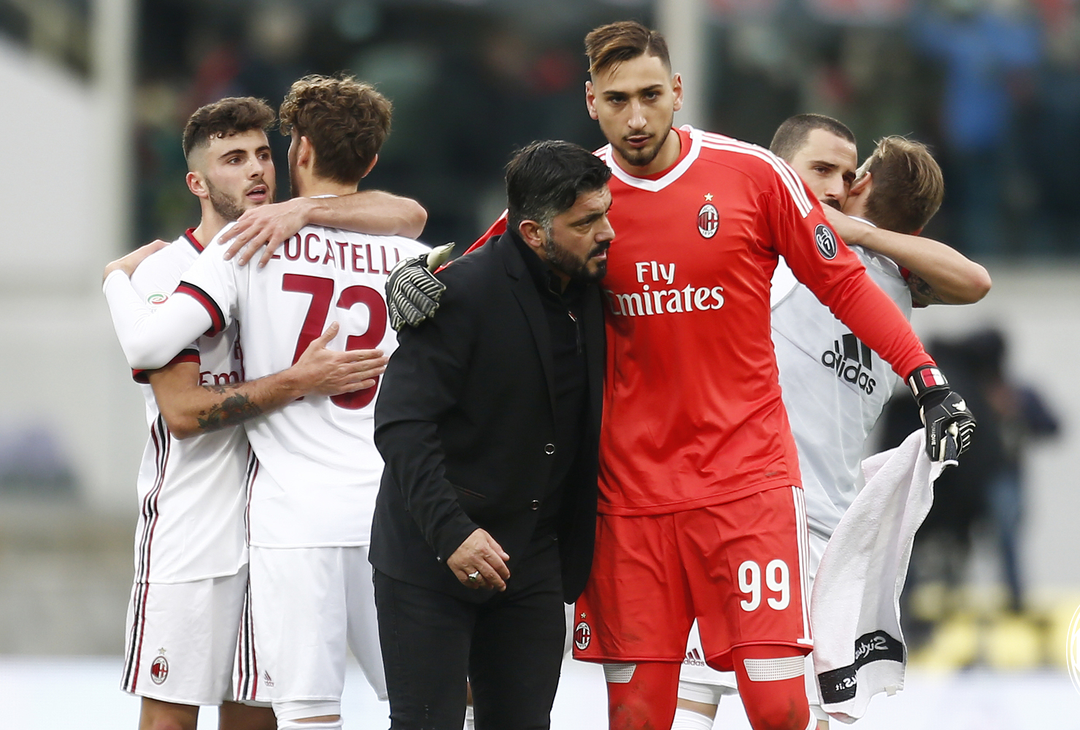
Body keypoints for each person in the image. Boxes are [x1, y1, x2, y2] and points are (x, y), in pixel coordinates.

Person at [387, 21, 975, 730]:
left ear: (677, 91)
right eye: (616, 100)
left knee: (783, 708)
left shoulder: (754, 176)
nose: (636, 117)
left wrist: (929, 382)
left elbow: (845, 285)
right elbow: (494, 259)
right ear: (590, 103)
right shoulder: (581, 196)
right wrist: (413, 281)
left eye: (649, 95)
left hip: (746, 485)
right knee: (637, 717)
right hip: (628, 498)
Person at [102, 74, 432, 730]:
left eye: (261, 153)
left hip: (279, 523)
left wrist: (308, 211)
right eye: (233, 159)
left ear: (292, 154)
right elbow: (182, 413)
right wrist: (117, 278)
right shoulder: (175, 269)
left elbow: (408, 212)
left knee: (267, 714)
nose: (255, 170)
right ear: (195, 182)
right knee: (175, 713)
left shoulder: (267, 244)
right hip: (195, 528)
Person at [674, 120, 990, 730]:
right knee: (698, 699)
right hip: (739, 506)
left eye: (846, 177)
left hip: (825, 525)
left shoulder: (896, 275)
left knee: (811, 713)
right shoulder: (766, 244)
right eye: (821, 172)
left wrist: (852, 229)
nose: (835, 187)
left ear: (862, 183)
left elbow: (976, 280)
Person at [371, 139, 610, 730]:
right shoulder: (461, 293)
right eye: (587, 221)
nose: (606, 232)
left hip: (531, 559)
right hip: (431, 553)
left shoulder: (594, 283)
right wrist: (454, 535)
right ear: (532, 232)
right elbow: (401, 425)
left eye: (607, 213)